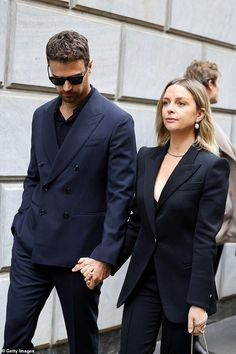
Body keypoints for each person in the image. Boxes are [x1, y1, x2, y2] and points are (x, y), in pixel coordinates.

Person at [2, 30, 136, 354]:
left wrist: (105, 256)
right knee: (14, 341)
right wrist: (21, 222)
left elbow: (121, 197)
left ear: (90, 66)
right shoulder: (40, 116)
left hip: (81, 255)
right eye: (57, 79)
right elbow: (34, 177)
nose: (65, 88)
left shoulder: (116, 122)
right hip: (32, 243)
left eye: (74, 78)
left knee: (82, 345)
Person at [115, 78, 229, 354]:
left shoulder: (211, 167)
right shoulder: (146, 158)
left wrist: (199, 301)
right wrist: (105, 262)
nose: (170, 109)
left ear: (199, 113)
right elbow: (137, 222)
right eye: (166, 102)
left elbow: (205, 240)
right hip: (142, 280)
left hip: (183, 287)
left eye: (180, 103)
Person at [184, 60, 236, 354]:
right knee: (198, 285)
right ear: (209, 85)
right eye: (216, 82)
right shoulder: (200, 124)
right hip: (206, 225)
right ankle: (191, 345)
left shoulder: (209, 121)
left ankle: (192, 343)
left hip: (216, 223)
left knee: (202, 285)